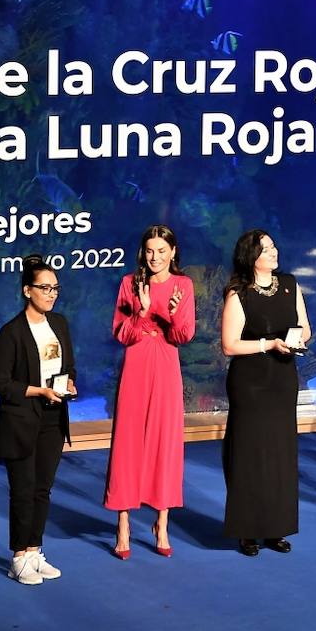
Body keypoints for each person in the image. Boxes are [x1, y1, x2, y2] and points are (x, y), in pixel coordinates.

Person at [103, 225, 196, 559]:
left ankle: (162, 522)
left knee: (164, 441)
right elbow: (122, 334)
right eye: (150, 250)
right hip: (137, 363)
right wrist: (142, 312)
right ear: (143, 252)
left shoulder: (182, 285)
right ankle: (123, 525)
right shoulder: (130, 283)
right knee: (128, 440)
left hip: (166, 365)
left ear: (173, 251)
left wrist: (166, 313)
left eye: (162, 250)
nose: (155, 257)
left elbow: (184, 335)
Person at [219, 230, 310, 556]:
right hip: (252, 383)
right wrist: (268, 343)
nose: (274, 252)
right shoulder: (238, 293)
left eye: (273, 246)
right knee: (250, 454)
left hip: (283, 379)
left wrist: (296, 340)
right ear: (250, 256)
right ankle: (248, 529)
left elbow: (305, 327)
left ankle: (275, 528)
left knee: (280, 455)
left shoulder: (289, 284)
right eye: (266, 249)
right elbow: (229, 344)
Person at [0, 256, 76, 585]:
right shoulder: (11, 332)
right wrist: (37, 391)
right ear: (27, 291)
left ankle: (35, 550)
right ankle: (19, 556)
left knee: (42, 489)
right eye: (44, 288)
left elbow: (69, 365)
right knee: (22, 490)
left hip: (54, 418)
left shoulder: (60, 324)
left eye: (55, 288)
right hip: (22, 420)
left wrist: (69, 383)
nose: (51, 294)